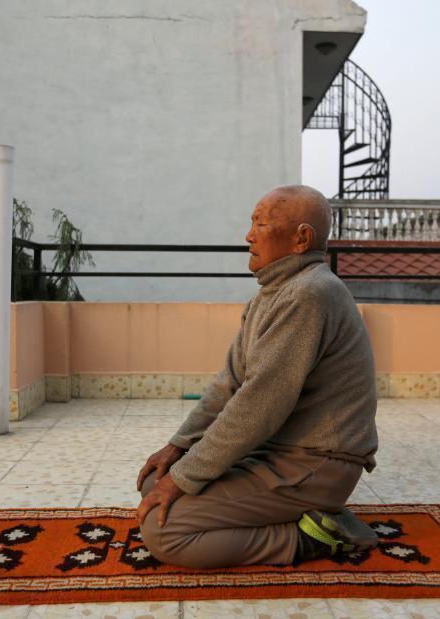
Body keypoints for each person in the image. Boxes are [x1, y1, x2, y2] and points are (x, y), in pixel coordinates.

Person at [135, 184, 379, 568]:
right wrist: (178, 448)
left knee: (164, 531)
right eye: (252, 223)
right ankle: (298, 513)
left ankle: (311, 538)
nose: (249, 235)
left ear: (301, 239)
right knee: (157, 482)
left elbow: (258, 405)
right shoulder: (272, 294)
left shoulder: (308, 294)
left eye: (261, 224)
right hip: (282, 449)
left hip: (317, 463)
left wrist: (183, 479)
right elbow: (229, 384)